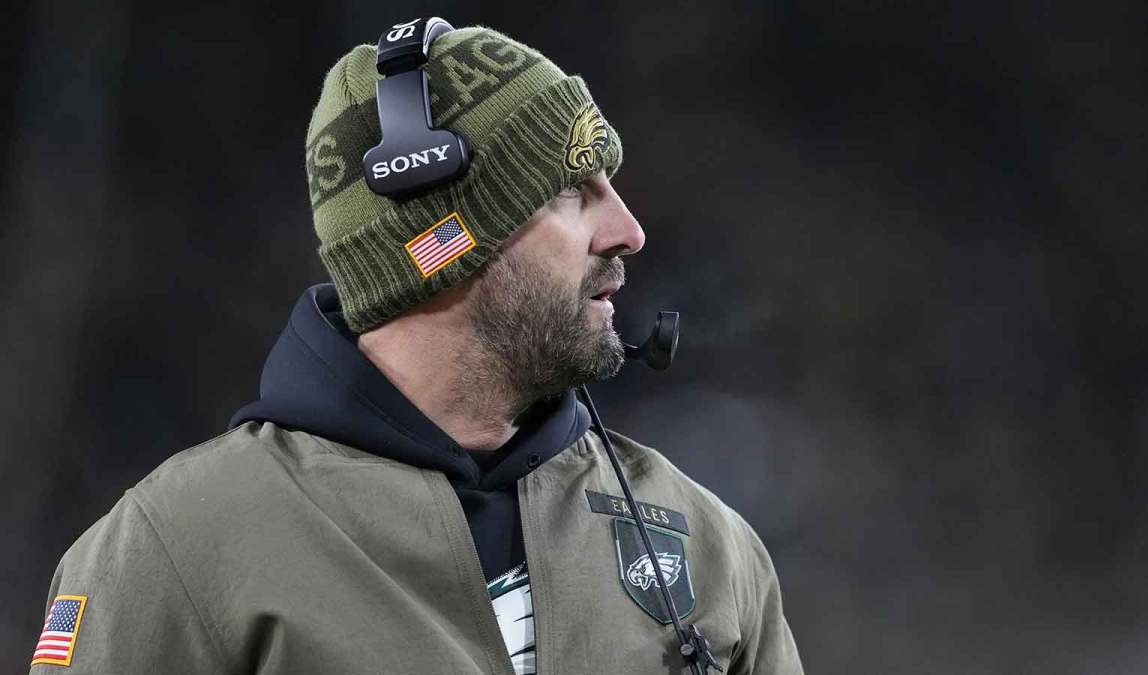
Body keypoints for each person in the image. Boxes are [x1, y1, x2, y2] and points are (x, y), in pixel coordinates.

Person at [29, 23, 803, 674]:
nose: (629, 230)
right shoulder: (176, 550)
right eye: (573, 190)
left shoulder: (707, 544)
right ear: (445, 243)